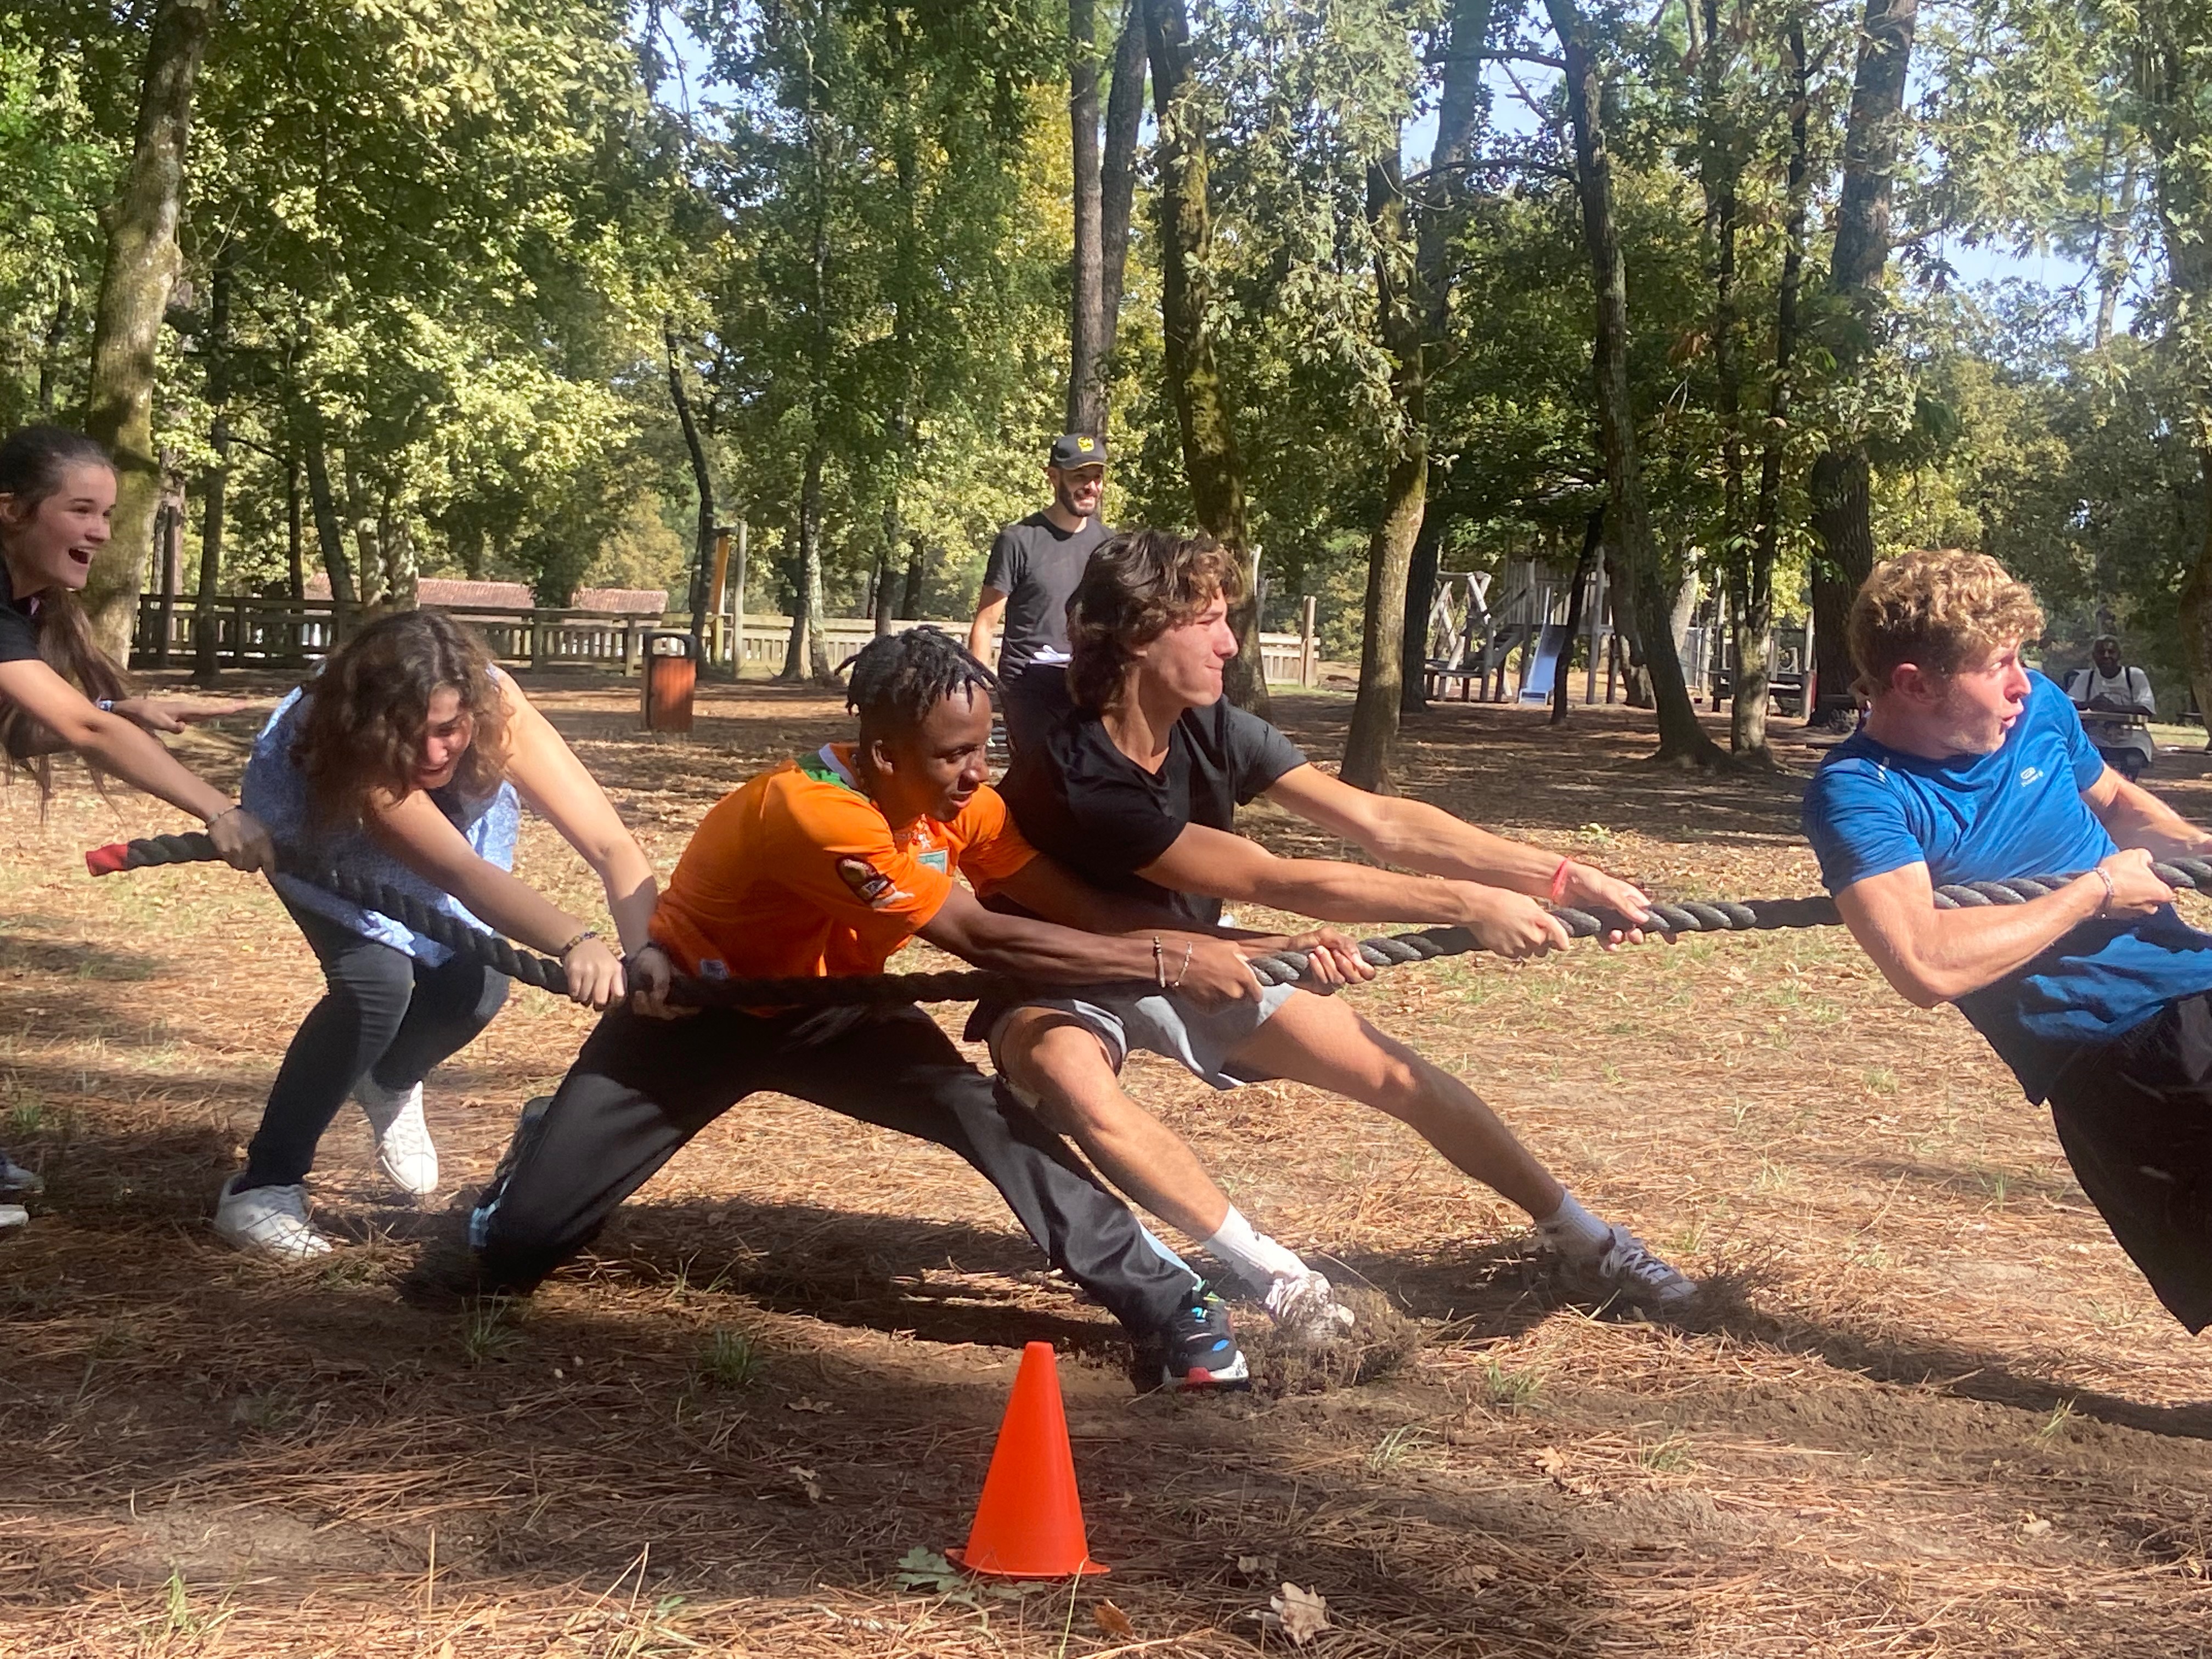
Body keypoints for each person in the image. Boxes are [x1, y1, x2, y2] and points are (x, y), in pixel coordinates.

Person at [467, 629, 1334, 1389]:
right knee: (507, 1257)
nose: (976, 772)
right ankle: (546, 1141)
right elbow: (988, 942)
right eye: (951, 754)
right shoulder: (815, 815)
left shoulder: (959, 804)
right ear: (882, 755)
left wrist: (1250, 948)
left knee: (983, 1113)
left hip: (841, 1008)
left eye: (983, 745)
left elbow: (1073, 905)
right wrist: (1169, 961)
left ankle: (1171, 1301)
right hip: (699, 1014)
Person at [987, 528, 1696, 1329]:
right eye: (1209, 622)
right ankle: (1279, 1277)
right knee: (1074, 1078)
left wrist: (1563, 876)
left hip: (1207, 956)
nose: (1230, 643)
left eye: (1231, 620)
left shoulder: (1216, 727)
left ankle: (1587, 1239)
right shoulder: (1081, 769)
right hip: (1063, 966)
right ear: (1140, 634)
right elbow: (1270, 878)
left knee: (1397, 1076)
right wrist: (1467, 904)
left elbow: (1379, 821)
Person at [1803, 549, 2212, 1333]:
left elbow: (2118, 803)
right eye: (1998, 667)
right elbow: (1924, 964)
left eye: (2019, 659)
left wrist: (2194, 846)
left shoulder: (2039, 711)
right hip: (2114, 1048)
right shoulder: (1860, 793)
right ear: (1914, 684)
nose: (2023, 684)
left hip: (2192, 981)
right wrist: (2094, 893)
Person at [219, 608, 657, 1260]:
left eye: (451, 729)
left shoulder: (497, 705)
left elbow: (609, 844)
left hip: (449, 836)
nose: (433, 752)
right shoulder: (343, 739)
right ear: (375, 724)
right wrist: (575, 940)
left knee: (476, 987)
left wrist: (649, 951)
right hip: (323, 838)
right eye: (411, 734)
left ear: (473, 708)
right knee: (376, 983)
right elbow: (459, 873)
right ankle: (264, 1185)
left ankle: (389, 1080)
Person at [0, 425, 277, 1231]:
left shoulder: (25, 603)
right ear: (13, 510)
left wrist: (123, 709)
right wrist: (220, 809)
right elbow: (80, 732)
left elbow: (31, 726)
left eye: (108, 515)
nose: (98, 532)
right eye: (80, 510)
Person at [967, 433, 1109, 756]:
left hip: (1089, 686)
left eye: (1097, 477)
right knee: (1041, 783)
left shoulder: (1111, 546)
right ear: (1053, 476)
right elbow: (985, 624)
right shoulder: (1018, 541)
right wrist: (979, 699)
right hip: (1029, 685)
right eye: (1079, 477)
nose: (1091, 487)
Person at [2066, 634, 2155, 718]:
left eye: (2111, 652)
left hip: (2132, 733)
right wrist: (2089, 704)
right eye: (2101, 652)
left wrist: (2113, 708)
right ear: (2094, 656)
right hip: (2095, 731)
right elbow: (2067, 704)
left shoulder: (2135, 676)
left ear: (2119, 655)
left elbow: (2147, 709)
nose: (2106, 656)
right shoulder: (2086, 678)